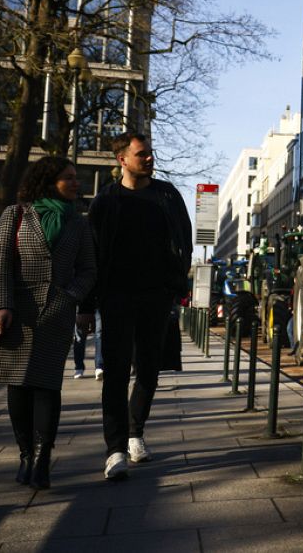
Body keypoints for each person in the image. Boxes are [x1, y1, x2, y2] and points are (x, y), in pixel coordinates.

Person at [80, 132, 192, 481]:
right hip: (115, 296)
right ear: (122, 160)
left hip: (156, 295)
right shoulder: (106, 201)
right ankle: (114, 450)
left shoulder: (167, 195)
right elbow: (91, 254)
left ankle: (134, 433)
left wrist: (175, 285)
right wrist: (86, 304)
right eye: (141, 154)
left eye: (150, 154)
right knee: (114, 373)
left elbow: (184, 241)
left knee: (147, 369)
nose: (148, 159)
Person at [0, 156, 96, 490]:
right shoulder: (16, 215)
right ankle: (25, 454)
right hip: (16, 312)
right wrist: (2, 306)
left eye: (76, 177)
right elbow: (1, 265)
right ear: (49, 181)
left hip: (55, 314)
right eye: (69, 177)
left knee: (48, 385)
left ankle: (43, 456)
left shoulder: (79, 222)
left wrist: (68, 298)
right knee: (17, 385)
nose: (77, 183)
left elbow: (89, 270)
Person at [72, 311, 103, 379]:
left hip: (99, 304)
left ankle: (99, 367)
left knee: (100, 333)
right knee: (79, 336)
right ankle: (79, 367)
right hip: (82, 305)